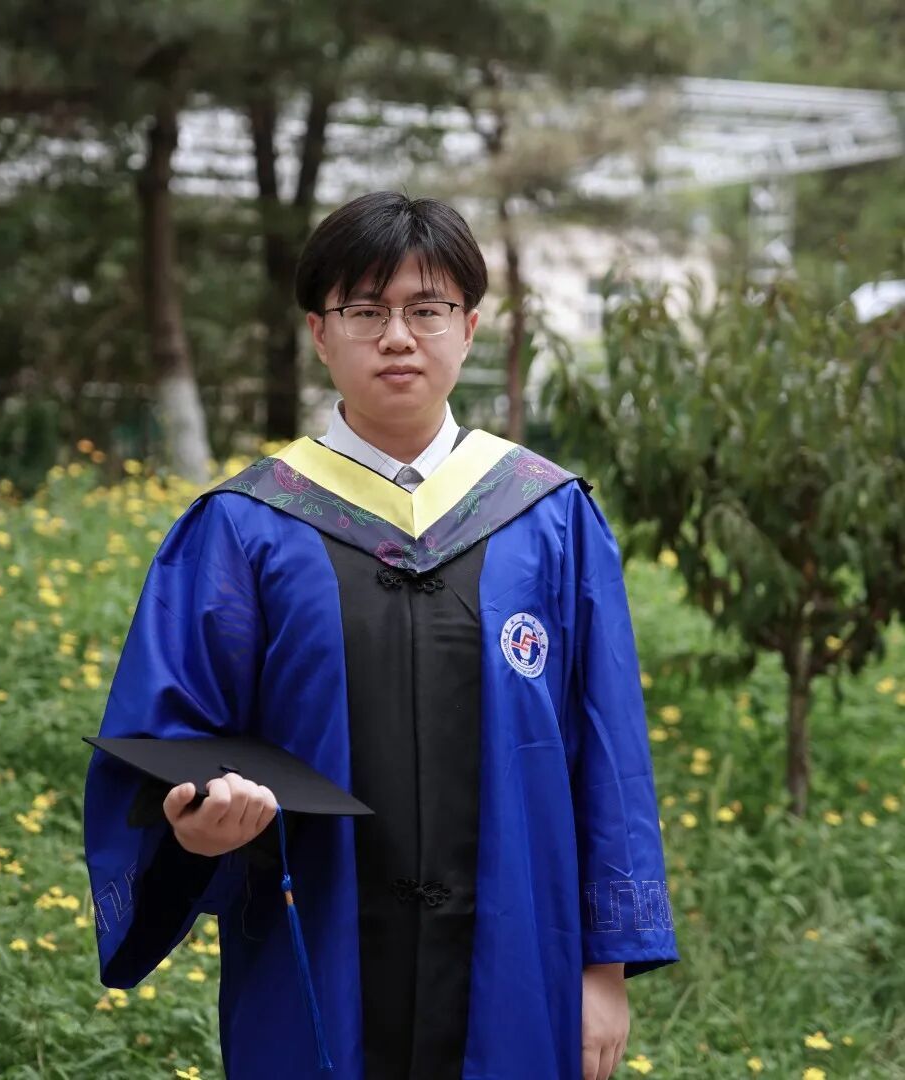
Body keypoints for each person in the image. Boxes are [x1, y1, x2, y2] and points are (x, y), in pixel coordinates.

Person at [83, 191, 679, 1080]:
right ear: (320, 334)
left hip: (519, 968)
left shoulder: (549, 518)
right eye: (365, 311)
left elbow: (609, 756)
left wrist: (605, 972)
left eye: (427, 309)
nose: (398, 337)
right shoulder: (245, 526)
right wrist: (195, 832)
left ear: (468, 328)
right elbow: (167, 742)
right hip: (314, 956)